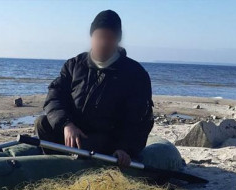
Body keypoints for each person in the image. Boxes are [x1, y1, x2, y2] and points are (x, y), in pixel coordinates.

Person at [35, 10, 154, 168]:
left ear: (118, 39)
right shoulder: (73, 65)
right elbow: (54, 97)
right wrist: (67, 125)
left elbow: (140, 119)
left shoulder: (135, 74)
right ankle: (54, 165)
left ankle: (75, 166)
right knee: (41, 123)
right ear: (92, 37)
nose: (104, 43)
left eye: (109, 38)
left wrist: (125, 149)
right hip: (72, 131)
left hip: (105, 140)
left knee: (86, 145)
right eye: (100, 37)